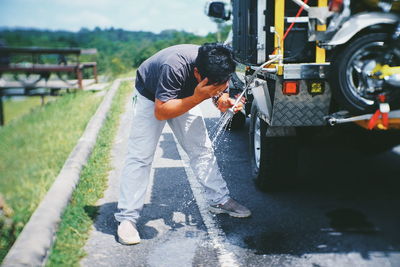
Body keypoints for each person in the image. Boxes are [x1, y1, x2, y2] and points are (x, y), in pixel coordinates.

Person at [114, 43, 251, 245]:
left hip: (186, 94)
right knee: (140, 156)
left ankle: (219, 200)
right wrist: (197, 97)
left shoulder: (218, 63)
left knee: (201, 149)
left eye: (222, 82)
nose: (219, 85)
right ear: (197, 72)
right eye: (213, 84)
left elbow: (219, 92)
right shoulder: (174, 66)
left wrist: (222, 99)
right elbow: (161, 111)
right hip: (151, 96)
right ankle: (127, 218)